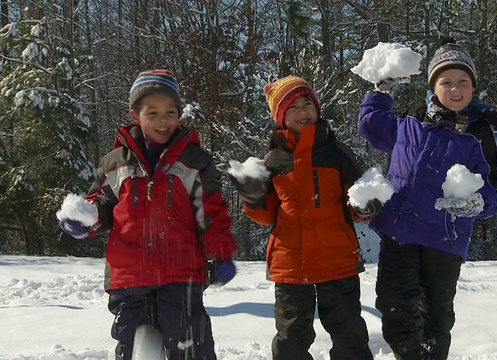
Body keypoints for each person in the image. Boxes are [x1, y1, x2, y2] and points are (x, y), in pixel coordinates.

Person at [57, 69, 238, 360]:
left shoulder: (194, 161)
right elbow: (100, 206)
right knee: (134, 347)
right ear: (135, 116)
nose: (162, 119)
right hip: (130, 276)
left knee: (190, 344)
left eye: (170, 111)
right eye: (152, 112)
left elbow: (212, 211)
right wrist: (82, 219)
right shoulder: (115, 163)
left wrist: (221, 253)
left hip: (181, 274)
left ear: (179, 115)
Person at [358, 38, 497, 360]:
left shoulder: (481, 135)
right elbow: (371, 125)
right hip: (400, 232)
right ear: (433, 86)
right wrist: (381, 90)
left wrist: (479, 201)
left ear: (472, 87)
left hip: (445, 238)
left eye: (463, 82)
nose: (455, 89)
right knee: (393, 304)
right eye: (446, 82)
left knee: (437, 317)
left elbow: (496, 191)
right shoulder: (411, 123)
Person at [229, 75, 376, 360]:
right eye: (292, 106)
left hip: (338, 261)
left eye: (307, 103)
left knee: (349, 335)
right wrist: (252, 196)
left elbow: (357, 202)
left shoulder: (337, 154)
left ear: (317, 109)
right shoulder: (272, 161)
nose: (302, 110)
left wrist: (367, 206)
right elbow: (265, 215)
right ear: (281, 118)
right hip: (291, 265)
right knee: (290, 340)